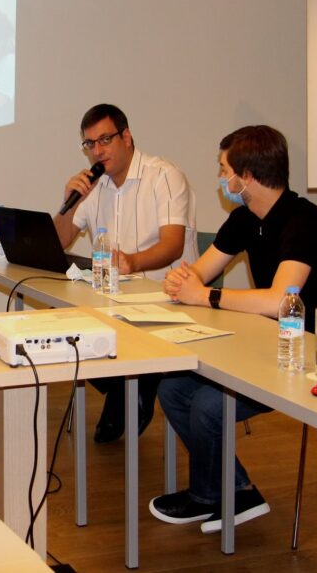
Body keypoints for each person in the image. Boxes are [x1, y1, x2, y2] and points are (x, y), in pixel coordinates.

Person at [154, 124, 317, 534]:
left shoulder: (303, 221)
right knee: (173, 388)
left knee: (208, 405)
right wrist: (182, 281)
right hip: (270, 343)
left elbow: (280, 300)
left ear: (246, 176)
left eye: (224, 170)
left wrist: (204, 295)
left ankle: (216, 495)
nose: (221, 178)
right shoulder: (245, 218)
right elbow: (200, 273)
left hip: (315, 356)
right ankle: (235, 491)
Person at [53, 103, 198, 443]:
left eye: (105, 140)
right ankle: (128, 385)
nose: (97, 151)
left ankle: (139, 382)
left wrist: (132, 262)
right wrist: (69, 201)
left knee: (104, 333)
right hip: (113, 300)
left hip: (167, 300)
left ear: (127, 137)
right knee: (63, 327)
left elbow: (173, 245)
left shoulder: (164, 176)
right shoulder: (94, 185)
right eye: (90, 144)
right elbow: (59, 240)